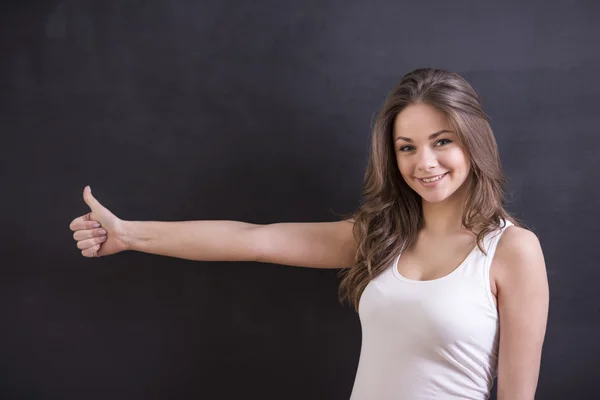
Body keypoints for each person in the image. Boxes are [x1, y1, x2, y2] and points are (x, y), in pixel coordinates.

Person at [69, 68, 549, 400]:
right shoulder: (382, 237)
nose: (424, 162)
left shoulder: (511, 251)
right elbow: (253, 241)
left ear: (473, 139)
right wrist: (130, 235)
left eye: (442, 141)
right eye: (407, 147)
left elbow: (515, 396)